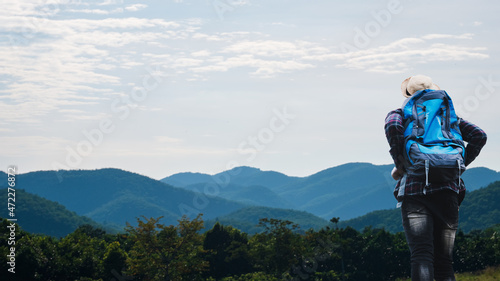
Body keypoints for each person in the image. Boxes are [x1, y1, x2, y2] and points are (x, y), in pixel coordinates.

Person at [384, 75, 487, 281]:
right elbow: (479, 135)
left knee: (422, 256)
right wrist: (460, 164)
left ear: (409, 94)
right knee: (444, 261)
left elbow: (392, 126)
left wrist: (400, 163)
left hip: (415, 192)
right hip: (449, 191)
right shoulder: (450, 119)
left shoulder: (401, 113)